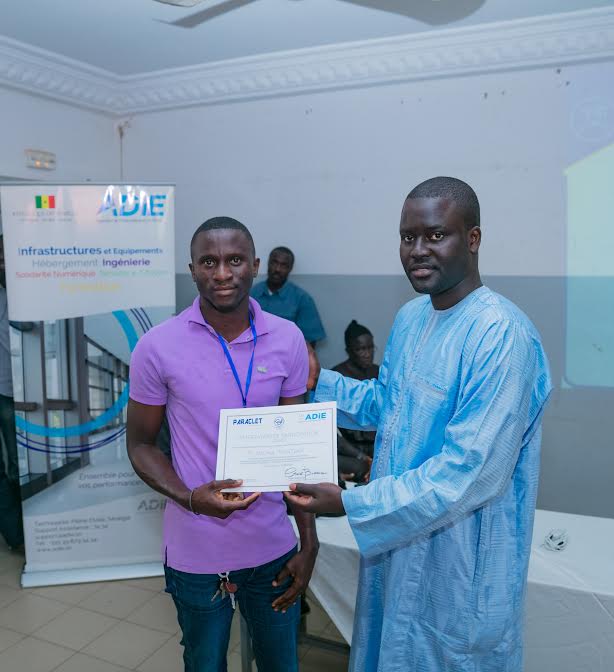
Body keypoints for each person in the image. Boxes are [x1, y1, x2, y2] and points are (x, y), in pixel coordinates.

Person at [287, 177, 552, 672]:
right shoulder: (412, 318)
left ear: (473, 238)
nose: (417, 250)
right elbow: (389, 404)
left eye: (435, 235)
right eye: (408, 237)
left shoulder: (500, 335)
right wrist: (319, 382)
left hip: (460, 569)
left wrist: (351, 502)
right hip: (397, 552)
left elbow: (468, 472)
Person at [127, 217, 318, 672]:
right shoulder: (157, 346)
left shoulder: (288, 338)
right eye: (209, 262)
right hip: (196, 550)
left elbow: (297, 449)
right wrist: (191, 498)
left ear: (254, 265)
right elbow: (140, 445)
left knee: (281, 665)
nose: (223, 273)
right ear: (192, 270)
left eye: (234, 260)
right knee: (205, 664)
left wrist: (308, 542)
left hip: (273, 548)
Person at [0, 234, 32, 552]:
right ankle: (15, 535)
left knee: (16, 464)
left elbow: (30, 326)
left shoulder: (24, 292)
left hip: (14, 391)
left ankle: (25, 535)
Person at [251, 246, 326, 346]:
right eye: (274, 263)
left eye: (284, 265)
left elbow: (310, 343)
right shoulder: (251, 294)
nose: (277, 269)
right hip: (252, 353)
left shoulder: (302, 299)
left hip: (287, 354)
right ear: (268, 263)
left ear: (290, 268)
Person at [333, 320, 378, 482]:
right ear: (349, 351)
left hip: (378, 444)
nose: (367, 354)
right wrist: (361, 456)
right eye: (360, 349)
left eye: (370, 348)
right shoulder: (338, 377)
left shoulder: (379, 372)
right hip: (350, 449)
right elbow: (333, 433)